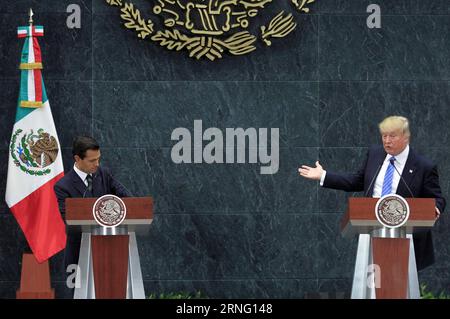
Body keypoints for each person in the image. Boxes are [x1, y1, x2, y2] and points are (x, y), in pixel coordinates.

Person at [298, 116, 445, 270]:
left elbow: (437, 198)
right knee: (374, 286)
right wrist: (324, 175)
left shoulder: (424, 166)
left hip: (407, 239)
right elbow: (357, 181)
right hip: (372, 233)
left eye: (392, 136)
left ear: (406, 137)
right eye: (384, 136)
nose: (387, 141)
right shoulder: (375, 154)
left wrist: (435, 207)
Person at [54, 135, 132, 267]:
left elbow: (126, 197)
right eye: (92, 160)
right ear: (77, 159)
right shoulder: (63, 186)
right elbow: (68, 219)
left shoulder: (104, 174)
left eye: (98, 159)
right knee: (78, 287)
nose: (97, 164)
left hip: (107, 247)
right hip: (78, 251)